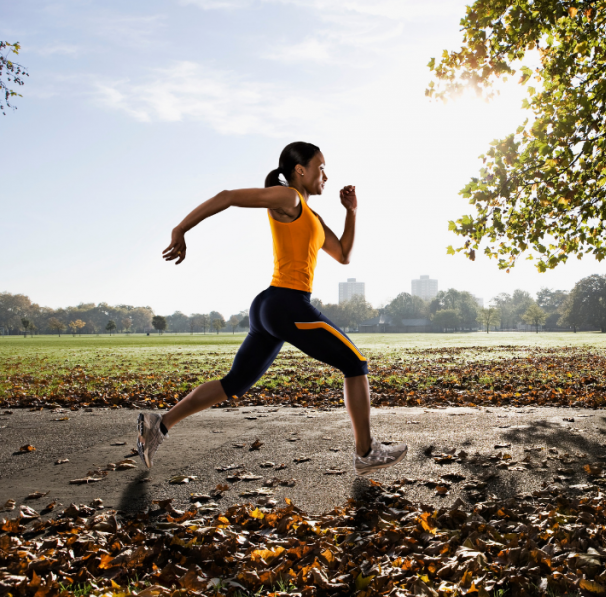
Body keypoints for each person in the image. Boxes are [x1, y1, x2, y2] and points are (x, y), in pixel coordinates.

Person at [137, 141, 407, 476]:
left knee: (234, 382)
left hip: (271, 307)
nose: (325, 174)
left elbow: (343, 254)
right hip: (286, 303)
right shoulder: (289, 198)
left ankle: (158, 426)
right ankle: (365, 452)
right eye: (320, 167)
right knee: (355, 362)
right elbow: (227, 196)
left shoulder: (313, 216)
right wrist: (181, 228)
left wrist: (351, 211)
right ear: (300, 170)